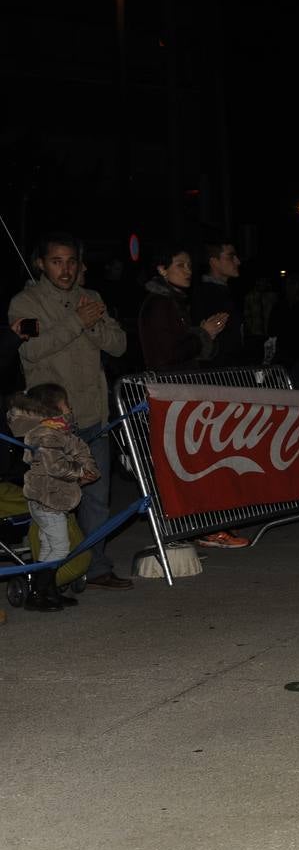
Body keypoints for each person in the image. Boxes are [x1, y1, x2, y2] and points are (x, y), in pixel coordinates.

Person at [8, 233, 132, 590]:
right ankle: (52, 574)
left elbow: (119, 345)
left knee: (96, 498)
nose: (66, 269)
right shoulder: (25, 302)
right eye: (57, 261)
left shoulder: (91, 297)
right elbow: (31, 351)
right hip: (49, 422)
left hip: (92, 414)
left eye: (72, 261)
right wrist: (77, 321)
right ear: (41, 264)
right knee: (52, 501)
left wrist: (91, 322)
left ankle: (96, 568)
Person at [137, 246, 248, 550]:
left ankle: (203, 527)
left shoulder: (172, 302)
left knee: (199, 461)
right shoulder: (160, 304)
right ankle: (204, 528)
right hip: (173, 395)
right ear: (161, 269)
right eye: (180, 264)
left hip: (180, 394)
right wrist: (204, 334)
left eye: (189, 264)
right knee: (195, 464)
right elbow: (167, 354)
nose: (188, 270)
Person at [7, 383, 99, 612]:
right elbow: (55, 466)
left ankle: (47, 591)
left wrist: (87, 466)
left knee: (49, 547)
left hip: (48, 499)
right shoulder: (46, 434)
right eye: (66, 404)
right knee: (60, 548)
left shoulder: (55, 431)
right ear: (55, 408)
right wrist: (80, 471)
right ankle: (38, 594)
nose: (70, 408)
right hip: (47, 500)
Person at [192, 238, 247, 367]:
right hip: (220, 377)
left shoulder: (225, 292)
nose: (237, 261)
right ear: (214, 262)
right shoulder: (208, 295)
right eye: (230, 257)